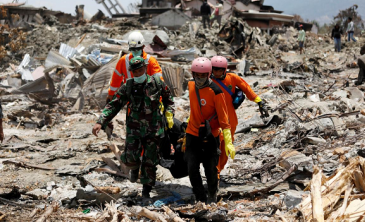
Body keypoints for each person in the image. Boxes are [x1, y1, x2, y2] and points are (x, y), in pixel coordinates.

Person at [93, 57, 175, 198]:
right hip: (134, 129)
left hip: (154, 129)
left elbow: (169, 99)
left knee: (150, 161)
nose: (138, 73)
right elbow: (114, 105)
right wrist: (101, 121)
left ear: (145, 68)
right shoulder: (128, 86)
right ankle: (134, 168)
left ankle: (146, 191)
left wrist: (169, 114)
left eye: (140, 70)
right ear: (131, 72)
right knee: (129, 157)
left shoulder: (156, 83)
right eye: (135, 71)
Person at [210, 56, 269, 177]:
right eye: (215, 69)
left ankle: (218, 172)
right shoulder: (207, 80)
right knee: (214, 144)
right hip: (213, 117)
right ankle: (213, 171)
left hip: (230, 117)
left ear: (224, 70)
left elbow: (247, 89)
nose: (217, 72)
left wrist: (259, 101)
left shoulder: (232, 78)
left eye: (220, 70)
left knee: (226, 146)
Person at [185, 57, 234, 204]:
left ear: (208, 74)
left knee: (211, 170)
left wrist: (228, 142)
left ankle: (212, 194)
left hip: (211, 135)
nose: (199, 79)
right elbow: (194, 109)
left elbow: (224, 119)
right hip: (192, 133)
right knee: (192, 169)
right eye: (197, 75)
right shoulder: (190, 85)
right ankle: (200, 197)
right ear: (193, 74)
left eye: (203, 75)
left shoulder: (216, 91)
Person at [106, 31, 163, 103]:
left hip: (149, 100)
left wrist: (160, 100)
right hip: (132, 100)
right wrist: (111, 94)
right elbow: (116, 79)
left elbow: (159, 81)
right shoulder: (124, 60)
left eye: (137, 49)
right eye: (133, 49)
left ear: (143, 47)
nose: (135, 51)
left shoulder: (150, 61)